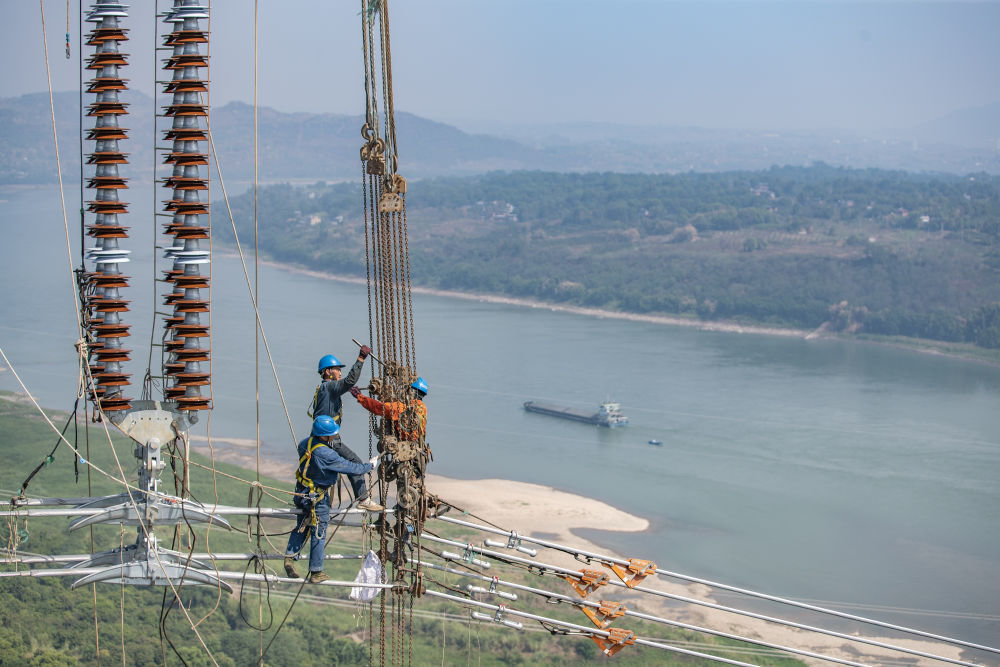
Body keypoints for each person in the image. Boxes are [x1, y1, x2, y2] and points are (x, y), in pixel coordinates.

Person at [284, 415, 379, 583]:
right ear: (324, 435)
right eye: (332, 434)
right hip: (317, 497)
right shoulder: (326, 454)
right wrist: (369, 466)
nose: (334, 437)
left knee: (302, 526)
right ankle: (316, 571)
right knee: (318, 531)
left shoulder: (305, 443)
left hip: (302, 492)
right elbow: (351, 468)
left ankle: (290, 557)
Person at [310, 347, 379, 507]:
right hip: (330, 438)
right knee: (353, 461)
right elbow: (349, 380)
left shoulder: (325, 389)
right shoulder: (329, 388)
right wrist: (361, 358)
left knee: (326, 468)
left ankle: (318, 497)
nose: (340, 372)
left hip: (321, 436)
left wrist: (345, 389)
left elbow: (343, 386)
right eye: (337, 369)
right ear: (328, 372)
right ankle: (363, 499)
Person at [349, 376, 428, 442]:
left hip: (405, 443)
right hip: (417, 444)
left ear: (411, 391)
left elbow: (379, 407)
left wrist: (360, 397)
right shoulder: (422, 407)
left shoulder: (401, 408)